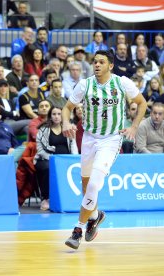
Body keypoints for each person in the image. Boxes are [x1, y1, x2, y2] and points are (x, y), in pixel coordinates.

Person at [62, 50, 147, 250]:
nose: (97, 65)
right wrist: (66, 122)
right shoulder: (85, 84)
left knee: (93, 185)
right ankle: (95, 216)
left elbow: (142, 103)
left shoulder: (122, 83)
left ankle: (77, 229)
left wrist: (134, 126)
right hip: (90, 138)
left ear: (110, 65)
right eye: (95, 62)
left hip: (111, 139)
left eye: (101, 62)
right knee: (85, 186)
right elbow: (67, 107)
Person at [34, 106, 78, 211]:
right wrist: (53, 160)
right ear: (50, 116)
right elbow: (40, 150)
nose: (57, 116)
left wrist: (74, 159)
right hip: (47, 159)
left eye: (59, 114)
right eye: (54, 114)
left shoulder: (68, 128)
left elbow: (73, 145)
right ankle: (46, 198)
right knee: (47, 168)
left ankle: (72, 198)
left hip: (65, 159)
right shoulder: (43, 130)